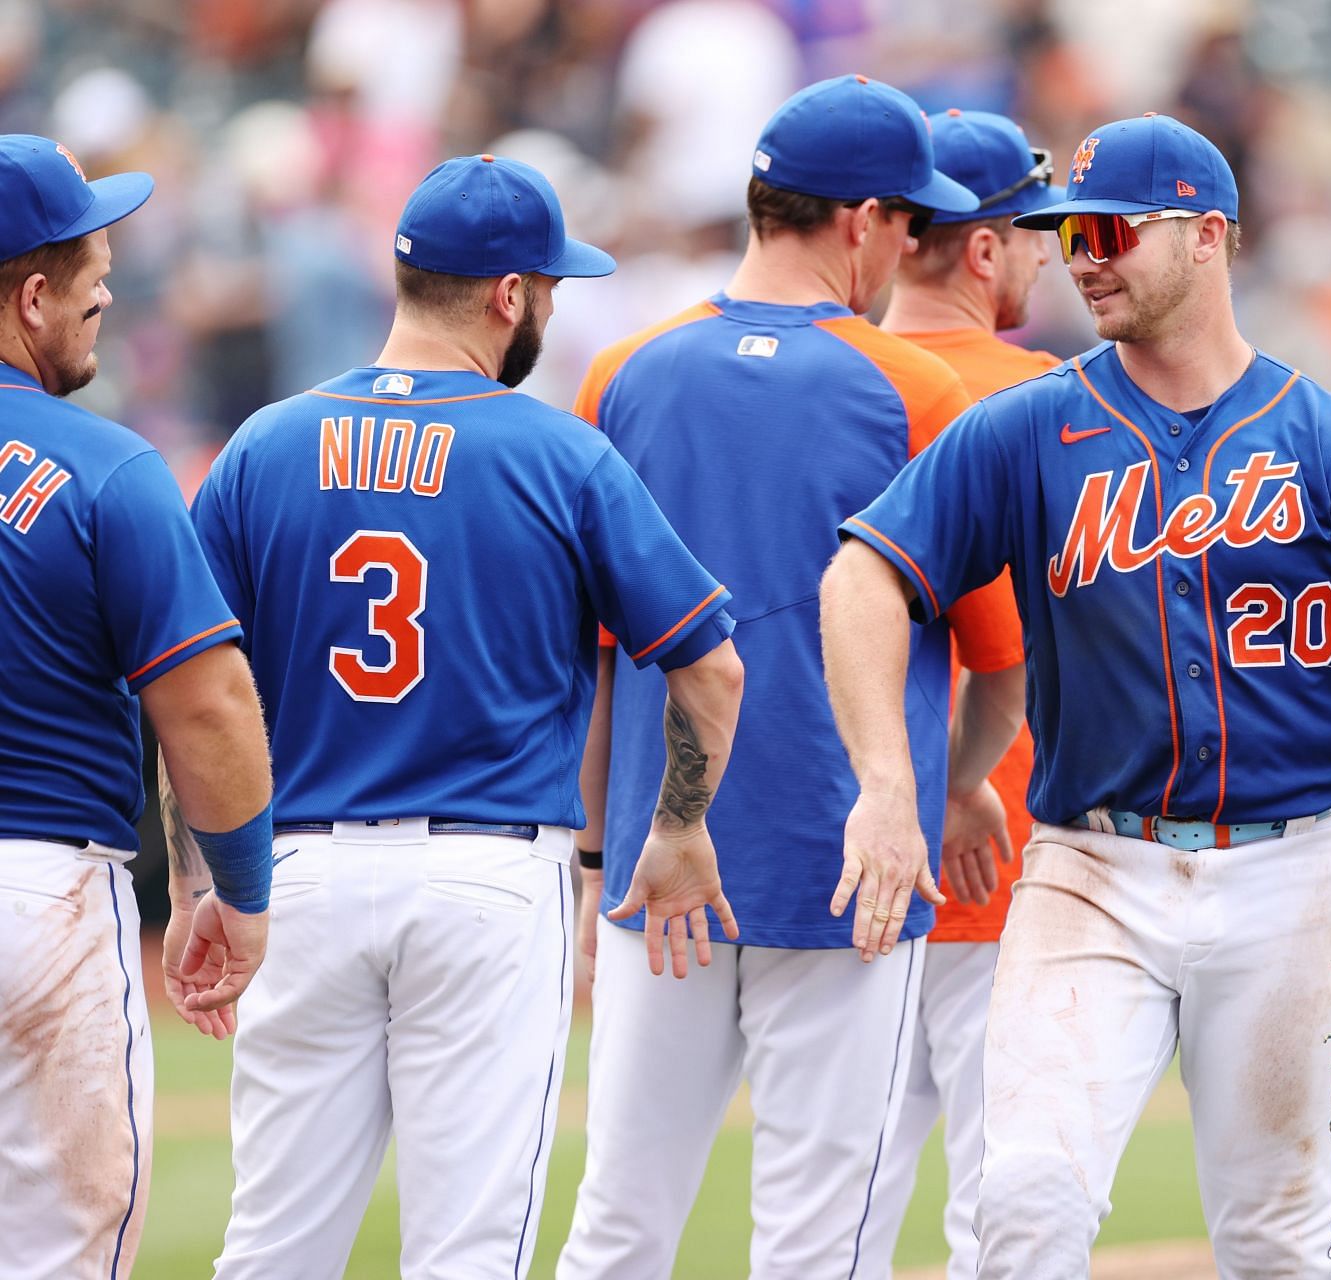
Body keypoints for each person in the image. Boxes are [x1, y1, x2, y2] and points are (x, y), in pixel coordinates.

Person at [820, 112, 1331, 1279]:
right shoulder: (1030, 427)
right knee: (1023, 1201)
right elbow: (864, 573)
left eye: (1113, 228)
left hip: (1294, 871)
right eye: (1068, 231)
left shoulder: (1327, 441)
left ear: (1209, 237)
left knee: (1274, 1241)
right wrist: (888, 779)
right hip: (1092, 870)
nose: (1083, 254)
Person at [191, 152, 744, 1278]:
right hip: (487, 880)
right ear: (508, 296)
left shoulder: (262, 444)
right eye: (548, 286)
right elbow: (711, 668)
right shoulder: (560, 453)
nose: (548, 306)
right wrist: (677, 827)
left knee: (271, 1251)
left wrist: (208, 877)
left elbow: (194, 689)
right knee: (467, 1254)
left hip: (297, 872)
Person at [558, 75, 1026, 1279]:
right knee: (822, 1243)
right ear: (862, 220)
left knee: (617, 1222)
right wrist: (958, 783)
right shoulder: (919, 391)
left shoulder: (623, 371)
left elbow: (600, 661)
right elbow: (1000, 663)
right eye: (904, 221)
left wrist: (600, 857)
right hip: (845, 869)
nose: (908, 246)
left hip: (663, 861)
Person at [0, 133, 274, 1279]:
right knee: (63, 1253)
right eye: (90, 267)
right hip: (41, 895)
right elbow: (206, 708)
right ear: (30, 295)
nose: (107, 288)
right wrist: (239, 891)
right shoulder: (107, 466)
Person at [859, 107, 1062, 1279]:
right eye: (1029, 230)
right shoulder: (1053, 398)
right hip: (1011, 830)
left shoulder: (840, 382)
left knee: (840, 1198)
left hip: (853, 843)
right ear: (981, 248)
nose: (1042, 252)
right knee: (1008, 1198)